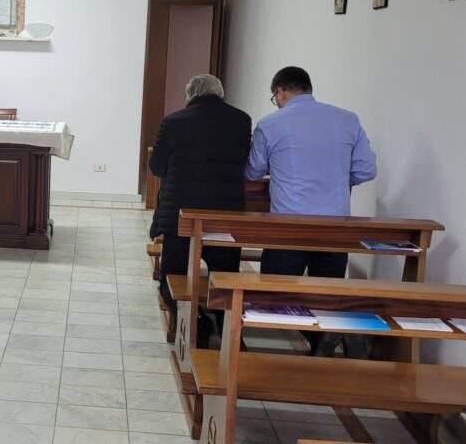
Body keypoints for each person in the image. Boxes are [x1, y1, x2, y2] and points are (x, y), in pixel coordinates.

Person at [245, 66, 377, 355]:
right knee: (326, 292)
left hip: (288, 224)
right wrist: (337, 179)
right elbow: (367, 170)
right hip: (336, 225)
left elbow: (253, 171)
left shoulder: (271, 124)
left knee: (275, 292)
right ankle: (327, 340)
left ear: (280, 92)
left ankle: (277, 356)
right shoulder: (347, 119)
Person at [150, 74, 251, 348]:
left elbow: (157, 166)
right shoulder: (241, 120)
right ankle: (228, 328)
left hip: (181, 217)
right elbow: (245, 162)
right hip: (225, 218)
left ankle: (197, 322)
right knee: (226, 277)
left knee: (172, 278)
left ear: (189, 96)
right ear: (221, 94)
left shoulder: (173, 121)